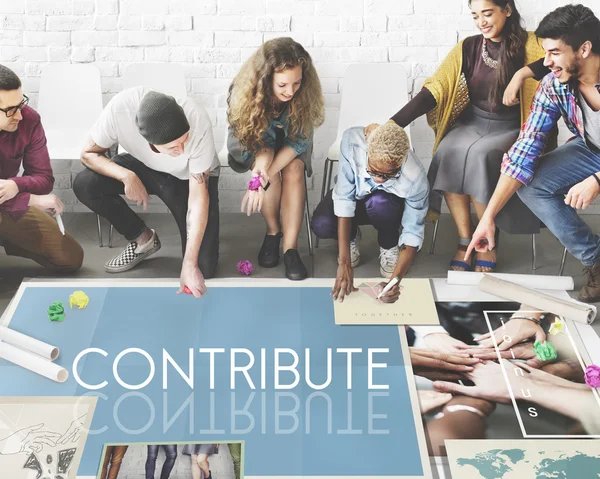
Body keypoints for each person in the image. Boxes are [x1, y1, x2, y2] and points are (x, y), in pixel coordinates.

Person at [381, 0, 555, 273]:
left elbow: (561, 58)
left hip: (513, 126)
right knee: (447, 150)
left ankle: (487, 238)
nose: (481, 22)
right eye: (475, 16)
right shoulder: (469, 47)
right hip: (473, 122)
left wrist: (523, 73)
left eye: (487, 13)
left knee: (479, 155)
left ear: (507, 10)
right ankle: (466, 238)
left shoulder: (532, 43)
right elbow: (435, 88)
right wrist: (393, 124)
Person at [467, 4, 600, 303]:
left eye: (554, 52)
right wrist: (488, 217)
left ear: (584, 49)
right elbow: (525, 148)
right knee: (532, 184)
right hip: (591, 149)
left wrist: (597, 180)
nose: (546, 62)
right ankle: (596, 259)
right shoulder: (555, 85)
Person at [74, 87, 220, 297]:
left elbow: (198, 198)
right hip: (143, 166)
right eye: (173, 147)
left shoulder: (197, 119)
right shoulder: (118, 110)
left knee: (203, 267)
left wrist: (189, 263)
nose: (180, 150)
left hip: (189, 176)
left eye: (184, 141)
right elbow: (87, 154)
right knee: (85, 184)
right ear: (150, 142)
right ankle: (143, 239)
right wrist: (127, 176)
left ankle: (192, 260)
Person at [227, 37, 325, 280]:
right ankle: (273, 232)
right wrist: (262, 171)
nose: (290, 91)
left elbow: (299, 141)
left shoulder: (304, 95)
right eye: (282, 85)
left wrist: (262, 177)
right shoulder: (243, 94)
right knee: (268, 172)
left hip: (292, 143)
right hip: (253, 144)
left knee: (293, 169)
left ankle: (290, 248)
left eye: (297, 83)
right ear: (266, 78)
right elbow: (257, 145)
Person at [311, 121, 429, 302]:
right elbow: (344, 197)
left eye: (389, 174)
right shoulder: (352, 142)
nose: (379, 179)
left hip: (387, 209)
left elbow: (412, 232)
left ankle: (389, 244)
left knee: (380, 201)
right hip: (356, 199)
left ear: (401, 161)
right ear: (367, 153)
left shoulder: (415, 178)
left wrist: (395, 282)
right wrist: (344, 263)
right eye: (373, 170)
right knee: (322, 224)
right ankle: (351, 237)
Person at [0, 64, 83, 272]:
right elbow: (35, 195)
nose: (19, 115)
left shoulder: (29, 119)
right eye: (11, 110)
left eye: (21, 104)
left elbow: (44, 178)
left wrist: (15, 185)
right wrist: (31, 199)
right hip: (14, 202)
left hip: (9, 203)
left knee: (71, 257)